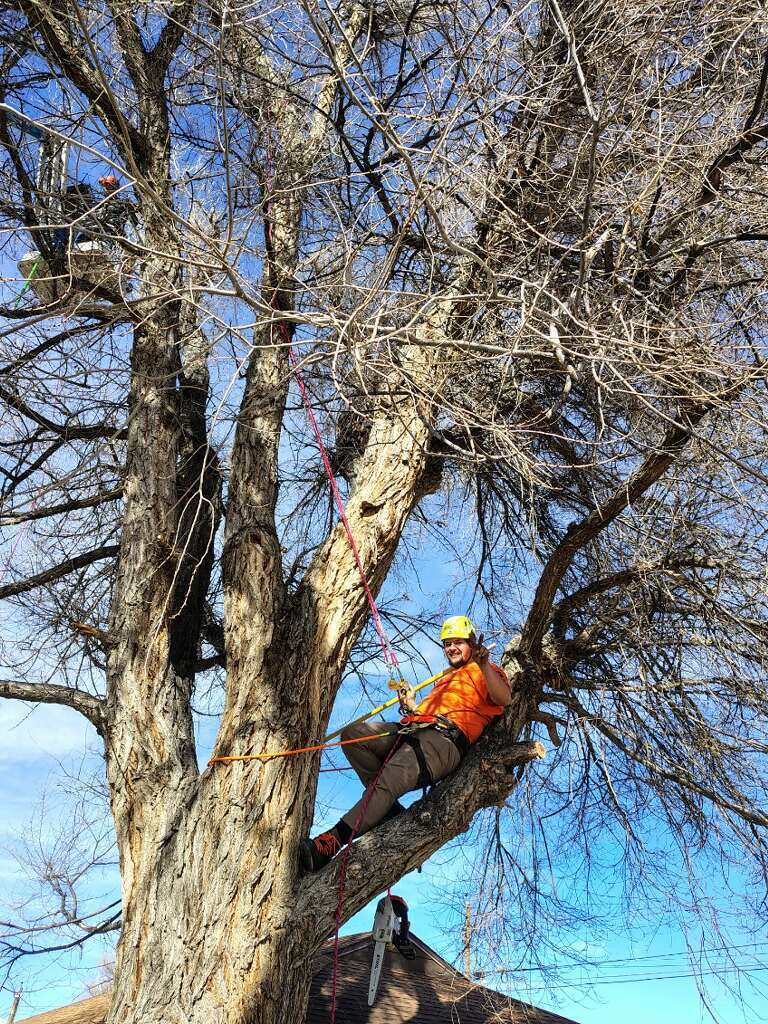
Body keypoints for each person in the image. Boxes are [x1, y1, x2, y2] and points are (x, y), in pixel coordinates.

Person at [300, 615, 512, 873]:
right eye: (447, 644)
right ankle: (384, 809)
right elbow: (432, 711)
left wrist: (485, 664)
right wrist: (413, 705)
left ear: (471, 643)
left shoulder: (484, 670)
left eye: (458, 642)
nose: (451, 648)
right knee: (354, 736)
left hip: (444, 741)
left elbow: (504, 698)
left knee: (390, 777)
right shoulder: (445, 679)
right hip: (414, 730)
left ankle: (331, 842)